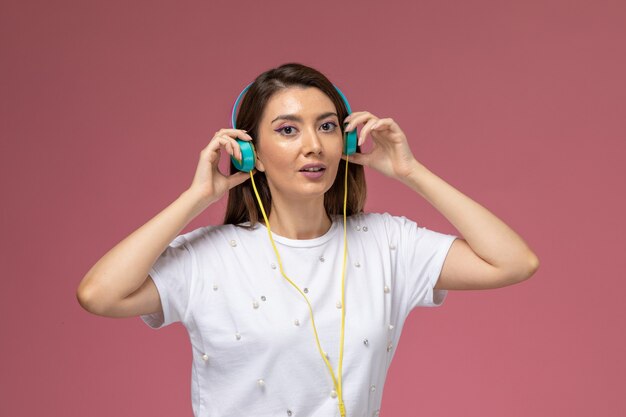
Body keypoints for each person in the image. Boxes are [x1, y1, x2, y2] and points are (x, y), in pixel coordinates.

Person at [77, 62, 539, 417]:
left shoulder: (387, 244)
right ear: (249, 153)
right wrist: (198, 197)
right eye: (287, 130)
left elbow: (513, 262)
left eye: (326, 126)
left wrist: (409, 172)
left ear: (347, 143)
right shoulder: (209, 258)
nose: (313, 145)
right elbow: (99, 294)